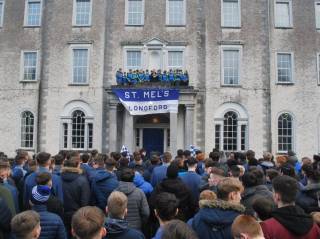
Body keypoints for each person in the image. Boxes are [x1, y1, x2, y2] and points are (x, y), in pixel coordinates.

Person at [61, 157, 91, 236]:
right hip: (77, 213)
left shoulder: (58, 178)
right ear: (77, 166)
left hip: (62, 212)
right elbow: (85, 201)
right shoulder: (82, 180)